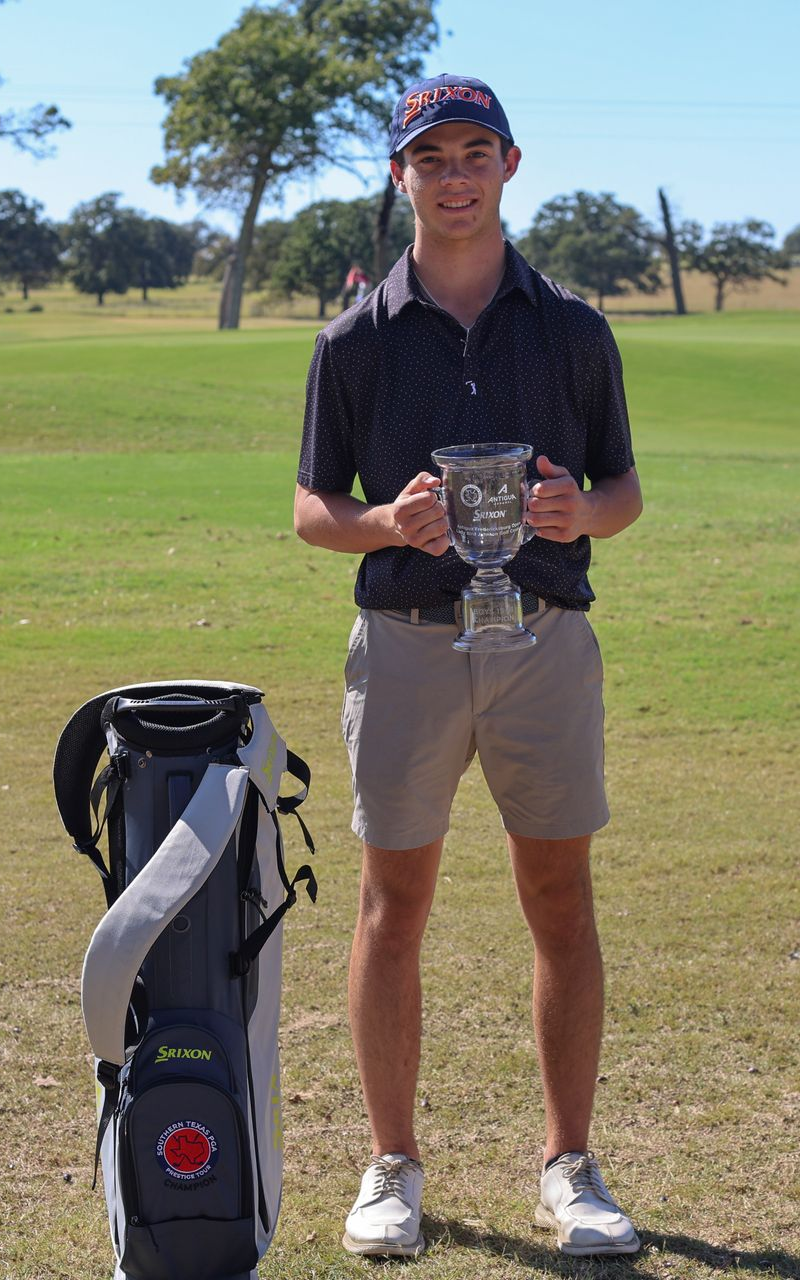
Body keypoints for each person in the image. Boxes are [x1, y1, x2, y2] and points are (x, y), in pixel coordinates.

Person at [294, 73, 643, 1260]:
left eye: (473, 153)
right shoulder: (352, 338)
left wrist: (569, 513)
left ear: (509, 165)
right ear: (399, 176)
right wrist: (387, 524)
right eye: (428, 156)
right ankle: (390, 1164)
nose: (453, 174)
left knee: (559, 899)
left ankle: (569, 1163)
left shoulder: (573, 328)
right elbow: (310, 506)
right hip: (403, 646)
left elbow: (621, 493)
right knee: (394, 910)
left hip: (543, 640)